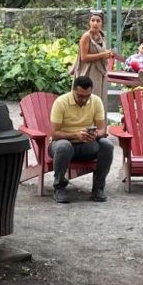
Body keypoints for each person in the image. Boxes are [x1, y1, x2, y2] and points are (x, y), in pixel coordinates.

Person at [48, 75, 113, 204]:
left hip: (87, 144)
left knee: (107, 145)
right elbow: (54, 134)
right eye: (80, 96)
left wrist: (95, 135)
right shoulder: (61, 102)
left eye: (87, 96)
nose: (83, 99)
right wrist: (75, 135)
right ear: (73, 91)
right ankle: (59, 187)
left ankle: (98, 188)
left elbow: (102, 130)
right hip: (62, 144)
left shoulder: (96, 101)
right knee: (63, 147)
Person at [73, 9, 117, 94]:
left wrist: (107, 54)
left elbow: (101, 52)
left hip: (100, 72)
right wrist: (102, 54)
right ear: (89, 22)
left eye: (98, 21)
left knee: (99, 98)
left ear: (102, 23)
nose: (95, 23)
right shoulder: (86, 37)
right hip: (88, 72)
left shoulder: (102, 36)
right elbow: (84, 57)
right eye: (93, 20)